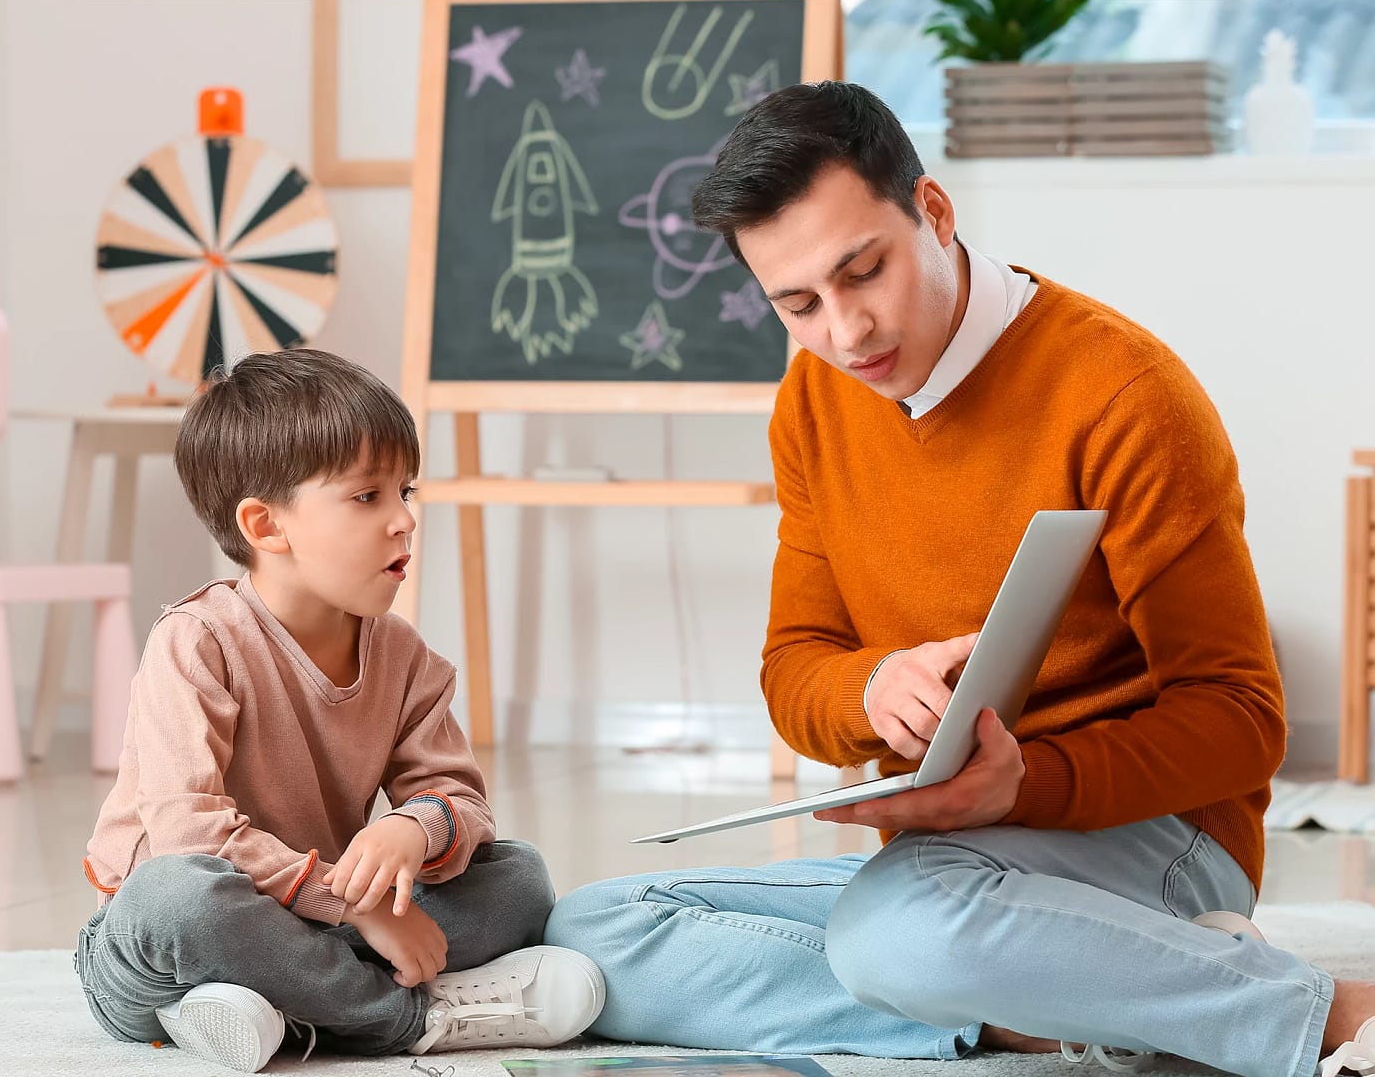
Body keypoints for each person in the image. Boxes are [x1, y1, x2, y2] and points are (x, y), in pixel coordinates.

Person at [544, 82, 1375, 1077]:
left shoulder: (1123, 393)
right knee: (596, 930)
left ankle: (1319, 1015)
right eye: (797, 303)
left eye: (864, 273)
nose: (846, 332)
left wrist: (1031, 781)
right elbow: (793, 670)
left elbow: (1243, 721)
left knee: (891, 932)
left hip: (1154, 839)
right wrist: (873, 684)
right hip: (958, 864)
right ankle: (1075, 1005)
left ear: (933, 212)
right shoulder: (814, 401)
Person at [75, 350, 604, 1073]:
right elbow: (186, 833)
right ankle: (406, 1017)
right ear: (266, 525)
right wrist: (358, 906)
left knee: (518, 879)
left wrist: (411, 831)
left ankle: (276, 1008)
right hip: (156, 947)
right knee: (174, 899)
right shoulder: (195, 640)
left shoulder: (404, 655)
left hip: (306, 921)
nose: (404, 522)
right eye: (367, 497)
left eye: (405, 491)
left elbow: (460, 802)